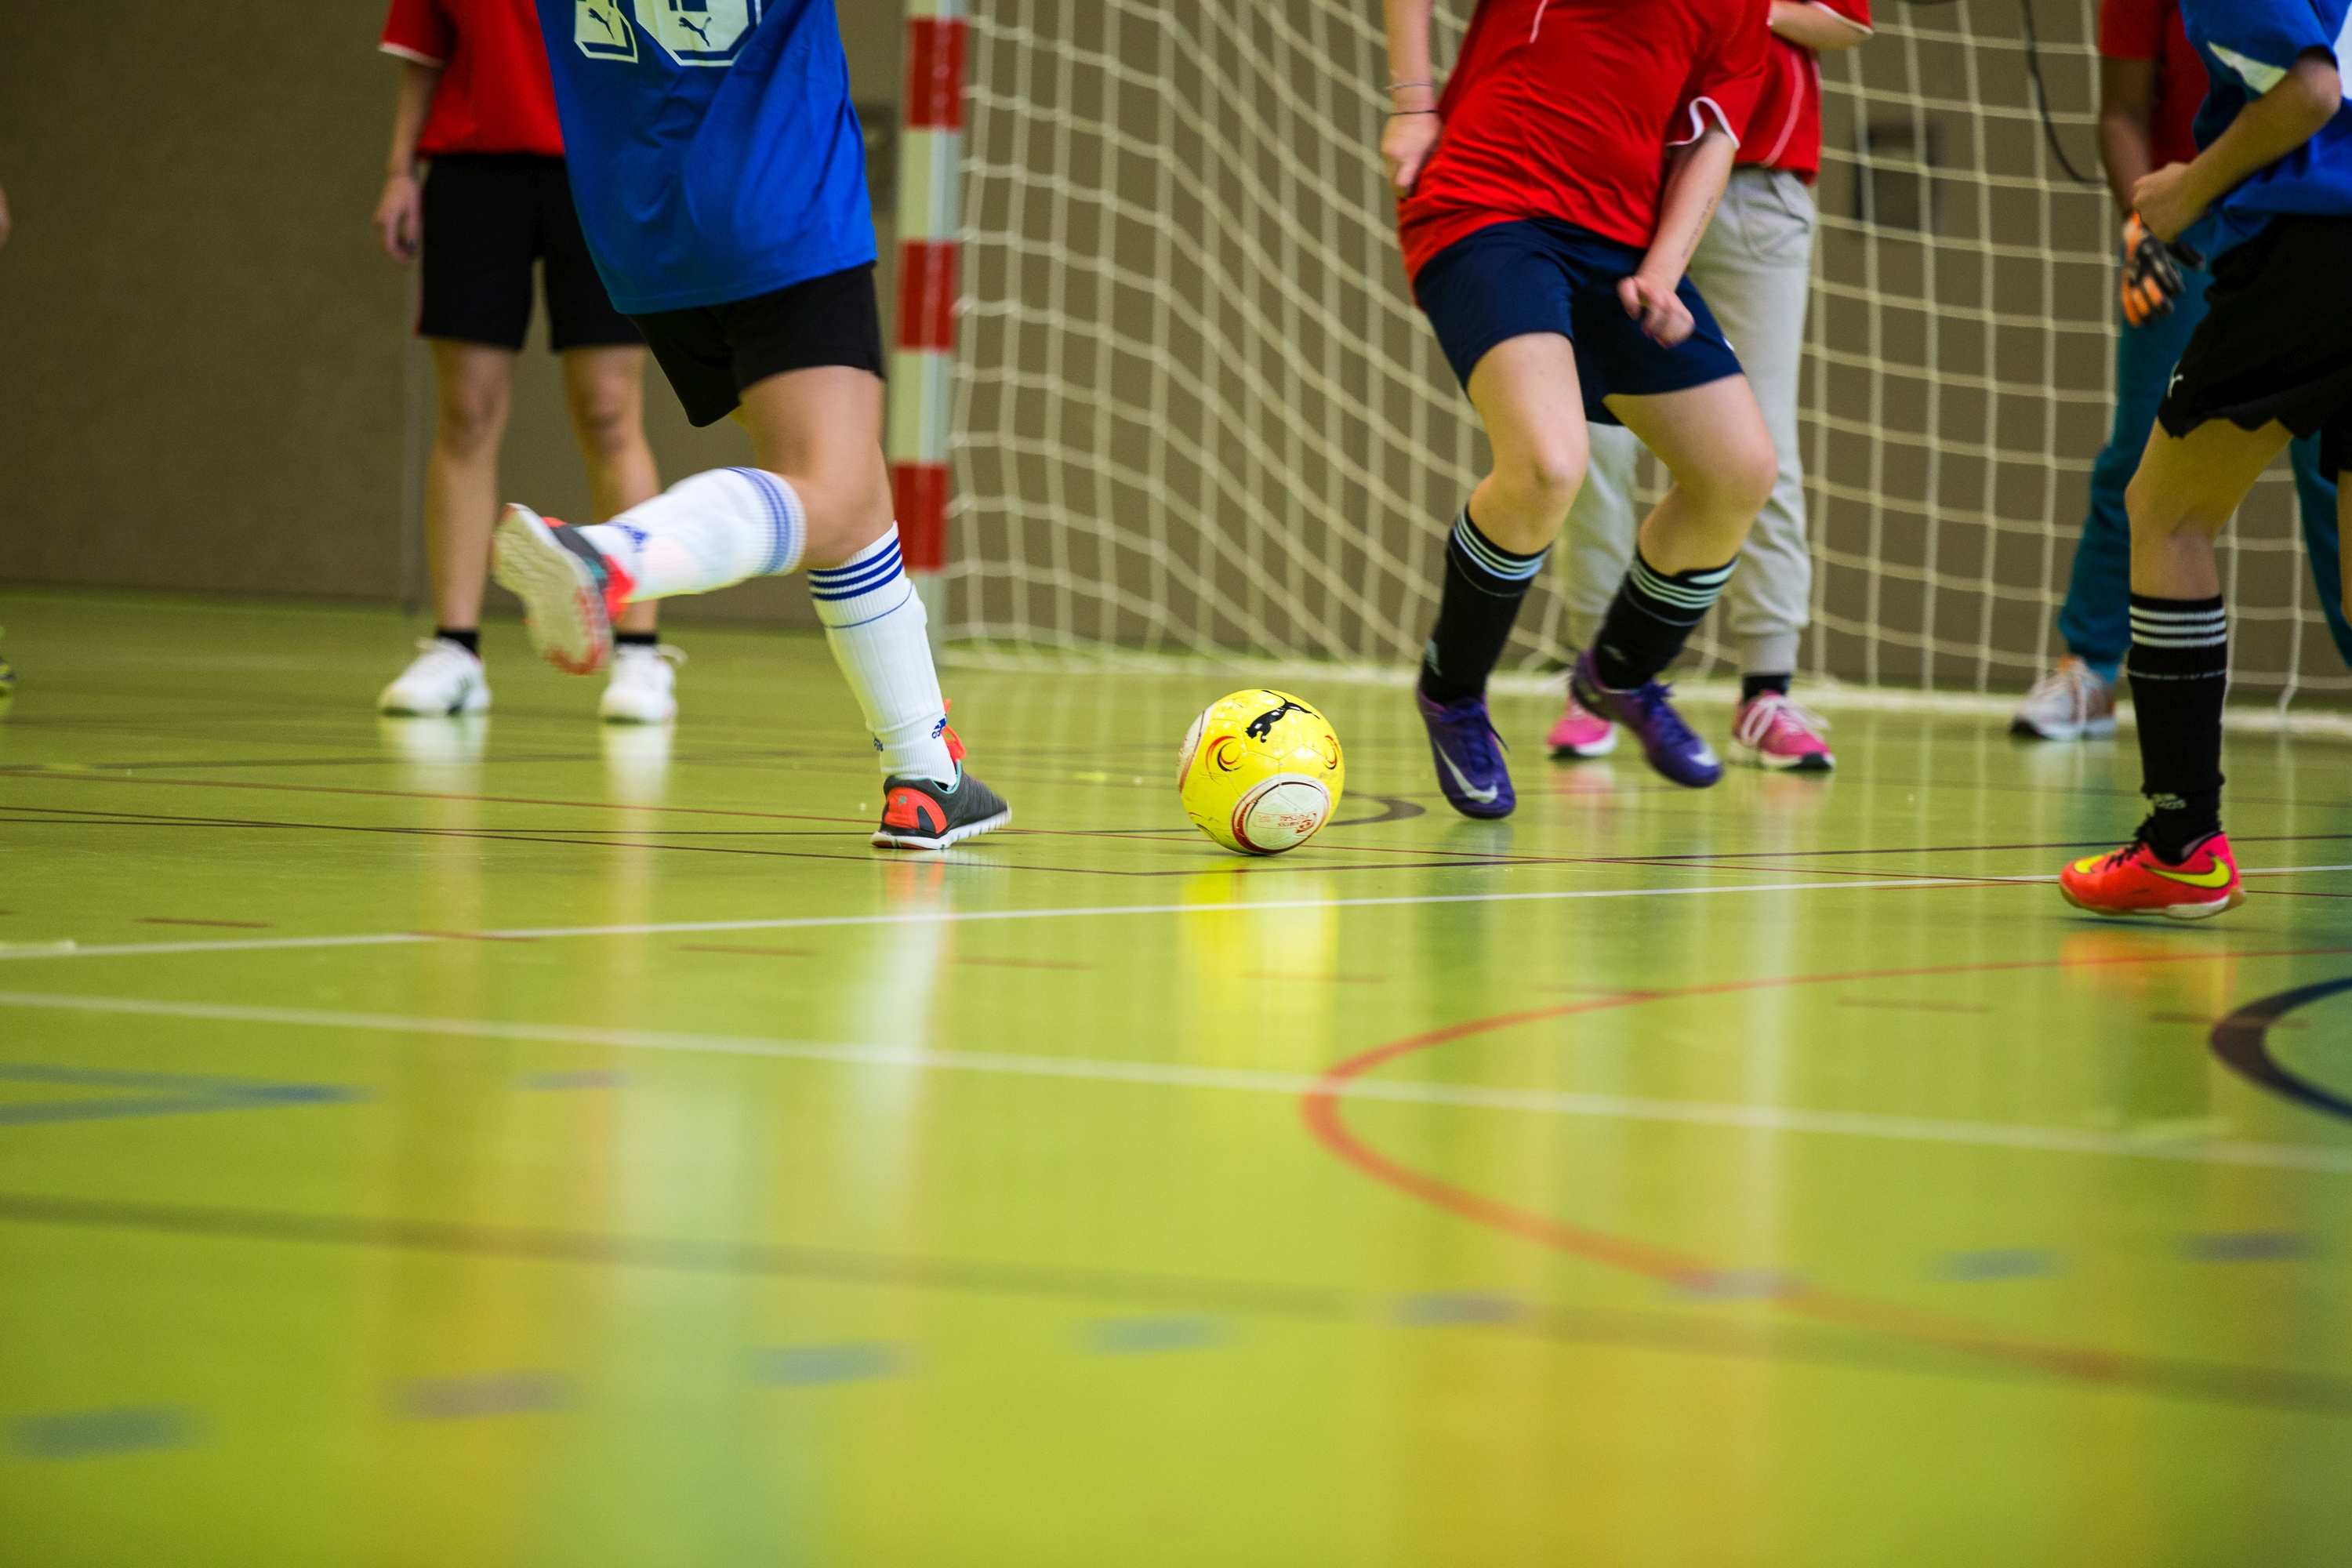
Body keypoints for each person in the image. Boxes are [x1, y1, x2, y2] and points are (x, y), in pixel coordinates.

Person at [495, 0, 1008, 851]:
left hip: (637, 222)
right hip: (776, 194)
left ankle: (926, 774)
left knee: (843, 479)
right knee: (830, 486)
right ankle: (613, 557)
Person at [1382, 0, 1778, 815]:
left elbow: (1714, 136)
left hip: (1623, 241)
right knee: (1548, 463)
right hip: (1488, 209)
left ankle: (1621, 673)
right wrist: (1413, 104)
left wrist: (1665, 270)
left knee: (1737, 471)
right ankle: (1453, 691)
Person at [2057, 0, 2352, 919]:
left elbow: (2308, 91)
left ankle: (2183, 843)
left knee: (2166, 509)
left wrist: (2187, 189)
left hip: (2315, 244)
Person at [1544, 0, 1871, 775]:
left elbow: (1847, 21)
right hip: (1618, 180)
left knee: (1764, 446)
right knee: (1592, 438)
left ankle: (1767, 688)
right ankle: (1600, 675)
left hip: (1759, 190)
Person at [372, 0, 677, 724]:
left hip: (607, 169)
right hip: (474, 174)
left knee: (608, 410)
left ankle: (640, 653)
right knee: (466, 410)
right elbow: (424, 52)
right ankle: (456, 648)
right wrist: (398, 171)